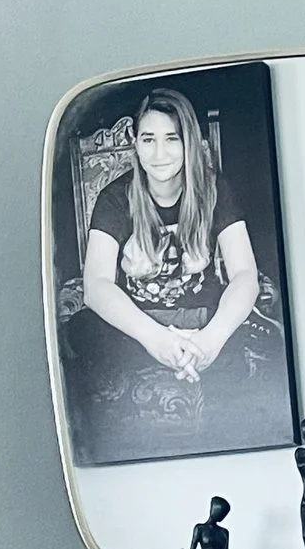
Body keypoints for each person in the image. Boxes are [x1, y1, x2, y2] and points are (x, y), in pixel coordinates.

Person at [63, 86, 288, 453]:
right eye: (148, 139)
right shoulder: (115, 198)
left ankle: (203, 367)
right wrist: (156, 339)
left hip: (202, 318)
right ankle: (183, 363)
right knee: (84, 333)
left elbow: (245, 274)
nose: (159, 153)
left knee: (256, 337)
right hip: (139, 325)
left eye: (172, 139)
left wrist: (211, 339)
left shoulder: (215, 191)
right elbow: (97, 285)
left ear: (191, 142)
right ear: (134, 143)